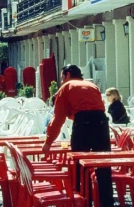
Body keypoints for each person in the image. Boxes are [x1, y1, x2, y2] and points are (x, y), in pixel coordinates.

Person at [42, 64, 114, 207]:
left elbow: (58, 118)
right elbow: (99, 108)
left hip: (83, 124)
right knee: (103, 165)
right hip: (101, 123)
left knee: (80, 166)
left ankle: (83, 201)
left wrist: (48, 142)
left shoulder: (66, 87)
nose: (62, 81)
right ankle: (107, 203)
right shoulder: (91, 85)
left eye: (62, 77)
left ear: (67, 75)